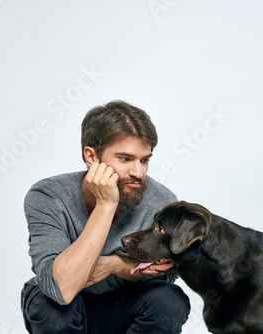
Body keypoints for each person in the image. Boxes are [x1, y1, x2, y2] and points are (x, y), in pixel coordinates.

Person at [20, 100, 191, 333]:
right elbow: (60, 289)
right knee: (51, 307)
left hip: (124, 304)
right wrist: (106, 205)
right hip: (65, 306)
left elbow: (166, 276)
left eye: (145, 160)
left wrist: (117, 265)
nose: (138, 173)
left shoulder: (161, 201)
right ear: (92, 157)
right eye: (125, 159)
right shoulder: (48, 196)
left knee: (169, 300)